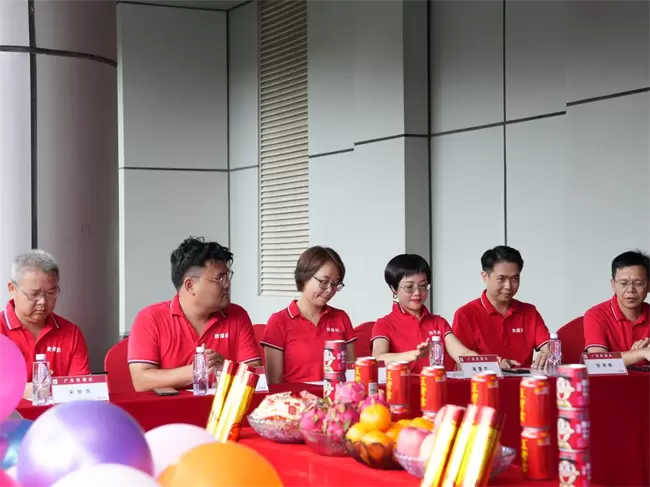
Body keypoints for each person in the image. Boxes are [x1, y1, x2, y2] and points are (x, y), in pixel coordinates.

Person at [128, 237, 261, 392]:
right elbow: (141, 380)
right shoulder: (151, 318)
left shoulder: (237, 315)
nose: (227, 284)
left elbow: (256, 374)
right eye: (220, 278)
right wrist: (197, 370)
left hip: (224, 406)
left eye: (228, 276)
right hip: (170, 407)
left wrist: (226, 368)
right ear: (190, 285)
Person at [261, 246, 357, 384]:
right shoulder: (279, 321)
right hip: (295, 397)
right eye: (323, 282)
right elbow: (274, 383)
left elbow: (351, 375)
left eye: (335, 284)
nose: (329, 290)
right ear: (304, 278)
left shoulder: (341, 318)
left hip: (336, 396)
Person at [371, 254, 478, 372]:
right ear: (393, 289)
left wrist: (487, 362)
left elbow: (462, 353)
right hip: (406, 383)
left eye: (423, 285)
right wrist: (414, 355)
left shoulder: (438, 322)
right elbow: (378, 358)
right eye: (409, 287)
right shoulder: (384, 324)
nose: (417, 292)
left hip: (440, 382)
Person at [451, 246, 551, 369]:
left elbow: (548, 347)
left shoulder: (529, 312)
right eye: (501, 279)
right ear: (485, 277)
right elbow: (460, 363)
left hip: (524, 380)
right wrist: (495, 364)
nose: (508, 286)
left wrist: (547, 354)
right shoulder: (466, 314)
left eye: (515, 279)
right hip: (483, 380)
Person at [0, 250, 90, 382]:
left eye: (50, 293)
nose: (42, 301)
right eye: (33, 294)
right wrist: (26, 390)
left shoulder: (71, 333)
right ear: (12, 289)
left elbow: (79, 387)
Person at [583, 250, 650, 365]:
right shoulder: (596, 315)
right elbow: (596, 361)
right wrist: (640, 353)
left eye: (638, 283)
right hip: (612, 377)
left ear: (649, 285)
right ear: (613, 285)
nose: (630, 290)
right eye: (623, 283)